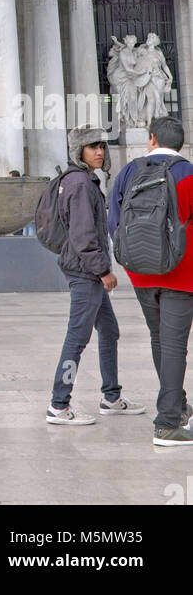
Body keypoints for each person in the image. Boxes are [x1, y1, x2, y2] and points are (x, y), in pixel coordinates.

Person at [46, 128, 143, 426]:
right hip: (86, 272)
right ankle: (59, 404)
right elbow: (84, 234)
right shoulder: (80, 184)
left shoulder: (81, 180)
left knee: (109, 330)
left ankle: (111, 396)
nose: (99, 152)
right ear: (79, 152)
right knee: (77, 336)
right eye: (91, 148)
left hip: (84, 268)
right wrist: (103, 270)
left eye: (101, 146)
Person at [108, 115, 193, 446]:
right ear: (181, 143)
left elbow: (114, 219)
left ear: (152, 139)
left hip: (140, 272)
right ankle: (168, 423)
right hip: (181, 272)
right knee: (174, 344)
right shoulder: (187, 173)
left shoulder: (130, 171)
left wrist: (134, 261)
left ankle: (177, 406)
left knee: (160, 339)